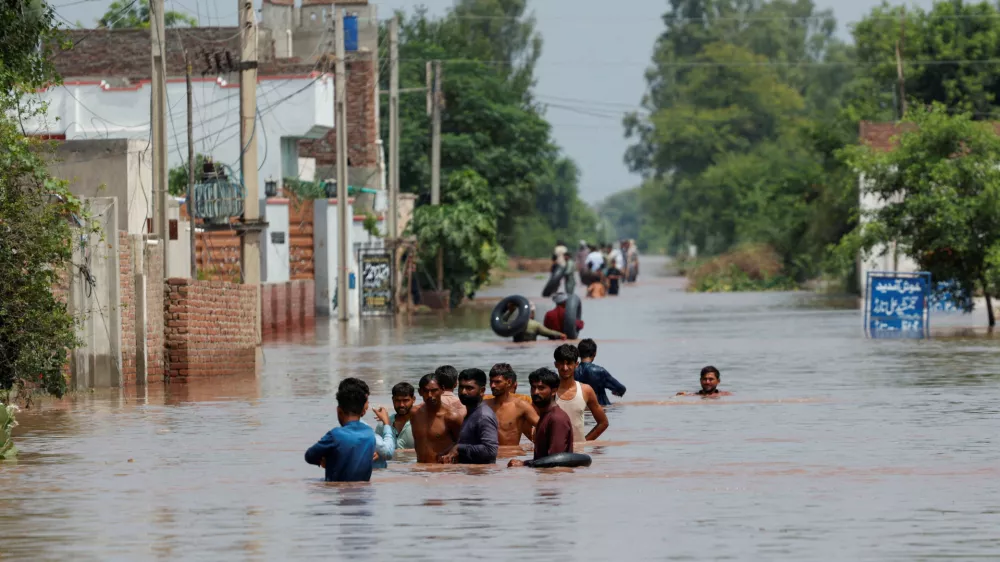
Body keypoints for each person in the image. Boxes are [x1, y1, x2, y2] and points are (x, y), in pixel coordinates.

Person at [304, 378, 377, 482]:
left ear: (339, 411)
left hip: (338, 493)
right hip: (364, 494)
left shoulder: (335, 435)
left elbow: (309, 455)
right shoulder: (370, 434)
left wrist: (324, 460)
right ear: (363, 411)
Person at [508, 368, 574, 467]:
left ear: (554, 391)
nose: (535, 392)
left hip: (555, 479)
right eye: (533, 388)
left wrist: (524, 464)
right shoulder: (545, 416)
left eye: (541, 388)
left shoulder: (557, 419)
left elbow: (555, 461)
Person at [439, 368, 499, 464]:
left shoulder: (483, 416)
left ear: (482, 391)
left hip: (481, 475)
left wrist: (459, 448)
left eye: (469, 388)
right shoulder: (471, 413)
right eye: (461, 387)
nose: (463, 392)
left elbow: (490, 451)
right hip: (469, 475)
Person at [553, 344, 608, 442]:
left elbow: (603, 423)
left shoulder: (585, 390)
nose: (565, 368)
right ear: (556, 364)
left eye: (569, 363)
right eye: (561, 363)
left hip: (578, 454)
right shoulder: (549, 391)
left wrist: (584, 442)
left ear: (576, 365)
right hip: (553, 453)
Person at [411, 373, 464, 463]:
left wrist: (451, 453)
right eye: (426, 391)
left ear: (442, 390)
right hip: (420, 470)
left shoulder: (451, 416)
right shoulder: (414, 413)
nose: (430, 395)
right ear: (420, 392)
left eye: (434, 390)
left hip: (444, 471)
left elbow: (465, 441)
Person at [487, 363, 539, 447]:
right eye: (491, 381)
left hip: (511, 456)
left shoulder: (521, 406)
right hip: (488, 457)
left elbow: (544, 427)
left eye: (497, 382)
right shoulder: (483, 406)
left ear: (509, 382)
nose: (492, 385)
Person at [574, 339, 626, 407]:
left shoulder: (572, 371)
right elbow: (621, 388)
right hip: (599, 408)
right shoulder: (600, 371)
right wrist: (616, 392)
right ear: (595, 353)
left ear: (579, 354)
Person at [374, 381, 416, 450]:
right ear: (393, 400)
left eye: (405, 400)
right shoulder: (383, 425)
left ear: (413, 399)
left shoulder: (420, 423)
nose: (401, 405)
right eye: (397, 400)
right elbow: (376, 449)